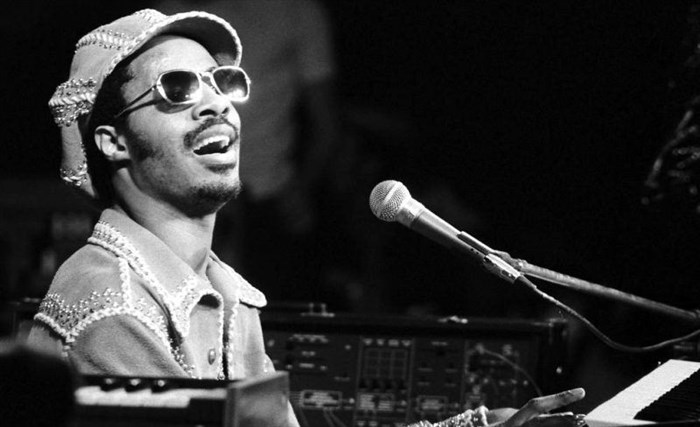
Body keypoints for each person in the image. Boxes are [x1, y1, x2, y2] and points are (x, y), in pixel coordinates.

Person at [25, 8, 583, 427]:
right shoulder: (114, 305)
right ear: (114, 142)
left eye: (221, 82)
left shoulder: (223, 293)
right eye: (177, 89)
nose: (217, 103)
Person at [152, 0, 342, 304]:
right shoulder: (170, 11)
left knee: (264, 312)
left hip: (269, 199)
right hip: (184, 196)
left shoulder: (297, 10)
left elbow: (327, 123)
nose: (219, 103)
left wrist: (303, 189)